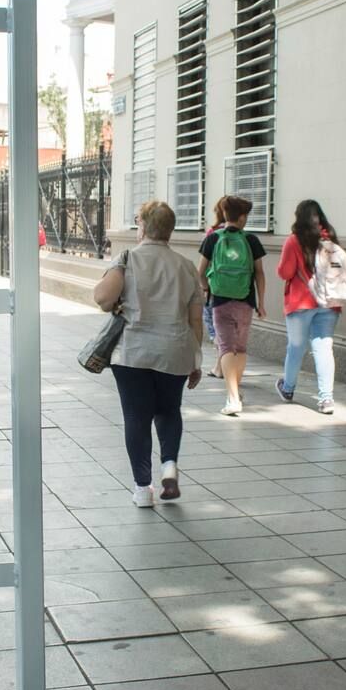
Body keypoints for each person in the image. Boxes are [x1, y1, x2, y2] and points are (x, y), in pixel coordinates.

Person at [93, 200, 204, 507]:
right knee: (169, 410)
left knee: (136, 417)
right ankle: (169, 465)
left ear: (141, 226)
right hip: (175, 351)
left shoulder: (127, 259)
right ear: (170, 229)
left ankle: (143, 489)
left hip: (132, 353)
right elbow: (196, 320)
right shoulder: (186, 266)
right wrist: (195, 361)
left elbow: (102, 299)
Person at [275, 200, 346, 414]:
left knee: (296, 347)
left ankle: (288, 388)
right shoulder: (330, 239)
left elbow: (285, 272)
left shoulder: (294, 241)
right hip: (329, 302)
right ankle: (326, 399)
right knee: (324, 349)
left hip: (301, 302)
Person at [197, 195, 266, 416]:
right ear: (243, 217)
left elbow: (200, 272)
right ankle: (234, 392)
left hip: (219, 301)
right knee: (240, 347)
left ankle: (233, 397)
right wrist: (261, 302)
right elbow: (259, 273)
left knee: (225, 347)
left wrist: (207, 287)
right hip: (245, 301)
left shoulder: (212, 238)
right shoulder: (251, 240)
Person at [203, 197, 227, 379]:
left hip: (214, 288)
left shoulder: (213, 233)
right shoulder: (242, 235)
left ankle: (220, 367)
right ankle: (223, 365)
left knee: (215, 329)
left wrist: (204, 287)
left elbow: (203, 265)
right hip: (238, 291)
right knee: (228, 331)